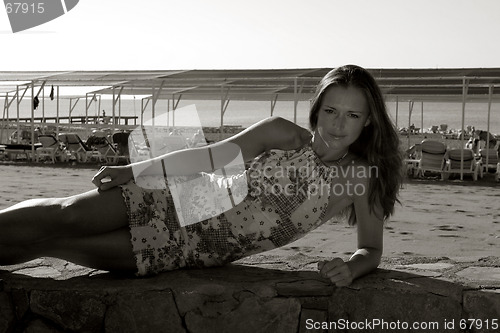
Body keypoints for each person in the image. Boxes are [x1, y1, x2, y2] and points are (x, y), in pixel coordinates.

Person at [0, 65, 403, 287]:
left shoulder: (359, 178)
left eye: (352, 115)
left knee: (54, 243)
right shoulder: (281, 133)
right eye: (331, 110)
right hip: (178, 196)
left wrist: (351, 267)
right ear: (317, 109)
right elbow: (208, 158)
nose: (338, 124)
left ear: (368, 122)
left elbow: (371, 248)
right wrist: (134, 169)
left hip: (192, 248)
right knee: (66, 213)